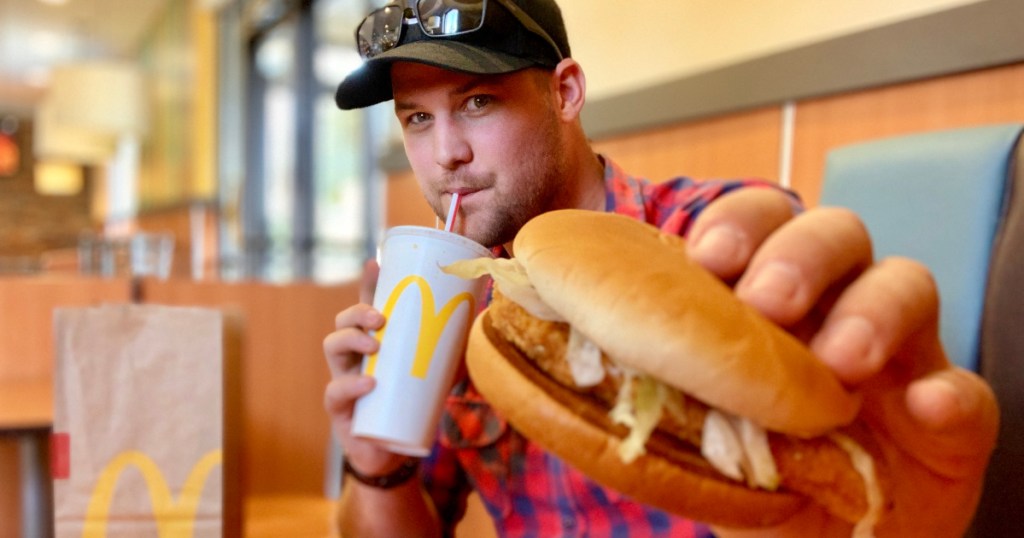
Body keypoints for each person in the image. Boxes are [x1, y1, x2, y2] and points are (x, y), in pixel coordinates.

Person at [323, 1, 999, 536]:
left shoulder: (710, 235)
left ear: (565, 93)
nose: (445, 155)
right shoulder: (452, 294)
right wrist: (375, 463)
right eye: (416, 118)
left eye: (478, 103)